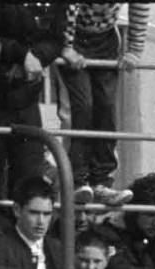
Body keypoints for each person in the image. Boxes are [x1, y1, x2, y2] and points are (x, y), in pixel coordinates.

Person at [0, 3, 64, 236]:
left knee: (31, 179)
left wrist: (36, 57)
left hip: (26, 97)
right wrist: (21, 55)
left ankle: (27, 253)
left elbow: (56, 36)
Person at [58, 2, 148, 199]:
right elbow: (69, 7)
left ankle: (101, 180)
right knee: (83, 105)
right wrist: (66, 46)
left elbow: (140, 7)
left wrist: (135, 50)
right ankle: (77, 178)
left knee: (106, 106)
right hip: (76, 34)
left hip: (105, 37)